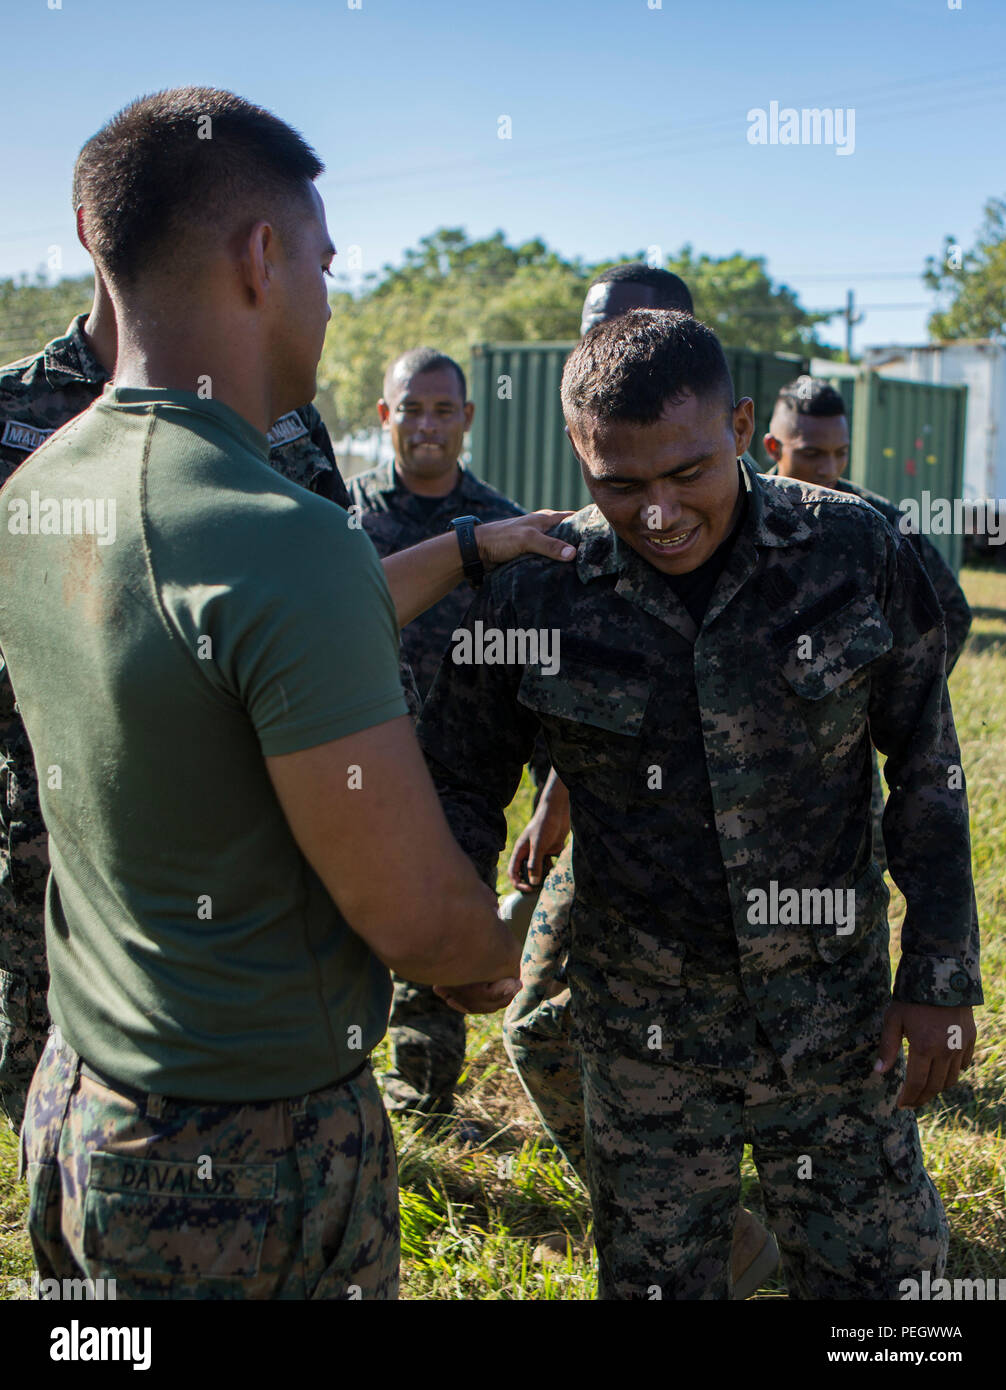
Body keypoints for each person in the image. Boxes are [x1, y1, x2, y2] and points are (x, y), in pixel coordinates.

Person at [0, 86, 575, 1300]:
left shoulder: (45, 487)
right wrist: (500, 957)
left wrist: (471, 547)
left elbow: (230, 631)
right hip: (247, 1159)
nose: (327, 292)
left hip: (80, 1108)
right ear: (262, 259)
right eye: (322, 259)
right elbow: (420, 918)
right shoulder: (283, 532)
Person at [417, 309, 979, 1299]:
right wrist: (459, 921)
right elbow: (463, 778)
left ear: (739, 427)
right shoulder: (535, 593)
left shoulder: (852, 549)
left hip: (835, 1026)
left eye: (688, 475)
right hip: (645, 1045)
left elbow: (924, 765)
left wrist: (938, 970)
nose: (660, 514)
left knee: (890, 1296)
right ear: (577, 454)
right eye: (620, 484)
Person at [0, 275, 367, 1135]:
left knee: (205, 1058)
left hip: (230, 818)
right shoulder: (16, 406)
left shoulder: (279, 414)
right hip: (48, 811)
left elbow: (326, 580)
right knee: (43, 1055)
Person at [503, 266, 778, 1295]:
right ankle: (702, 1225)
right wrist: (559, 795)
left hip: (768, 868)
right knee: (543, 1026)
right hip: (630, 841)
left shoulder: (804, 533)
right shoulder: (580, 546)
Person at [349, 348, 544, 1125]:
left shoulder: (502, 529)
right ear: (385, 416)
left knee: (437, 924)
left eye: (443, 409)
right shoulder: (345, 517)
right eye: (412, 408)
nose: (427, 425)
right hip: (354, 762)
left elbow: (528, 669)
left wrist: (545, 787)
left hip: (454, 777)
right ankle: (331, 1085)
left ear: (466, 418)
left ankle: (418, 1103)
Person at [764, 377, 972, 673]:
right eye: (812, 454)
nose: (829, 468)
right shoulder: (743, 514)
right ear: (773, 447)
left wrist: (896, 700)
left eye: (841, 452)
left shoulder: (879, 521)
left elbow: (951, 611)